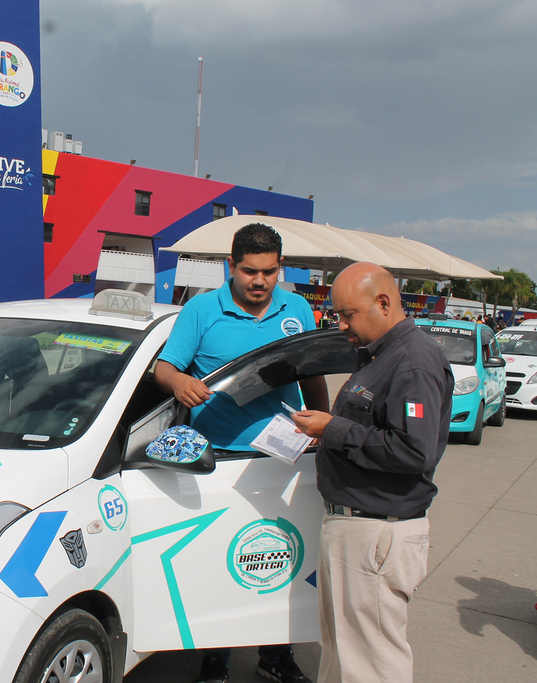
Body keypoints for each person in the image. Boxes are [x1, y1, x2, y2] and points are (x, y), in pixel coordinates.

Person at [154, 222, 329, 683]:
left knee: (285, 555)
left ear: (280, 267)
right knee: (220, 558)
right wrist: (181, 381)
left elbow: (313, 374)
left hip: (285, 456)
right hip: (218, 459)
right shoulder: (201, 310)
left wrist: (324, 425)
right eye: (250, 271)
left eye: (269, 272)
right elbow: (164, 368)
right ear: (231, 266)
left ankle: (277, 654)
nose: (259, 282)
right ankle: (216, 656)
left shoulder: (297, 309)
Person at [290, 263, 453, 683]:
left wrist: (332, 429)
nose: (341, 324)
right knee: (344, 654)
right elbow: (376, 432)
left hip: (376, 531)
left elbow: (413, 450)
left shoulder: (413, 363)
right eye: (337, 315)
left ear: (383, 303)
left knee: (372, 664)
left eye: (348, 314)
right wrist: (326, 436)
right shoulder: (383, 355)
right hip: (357, 527)